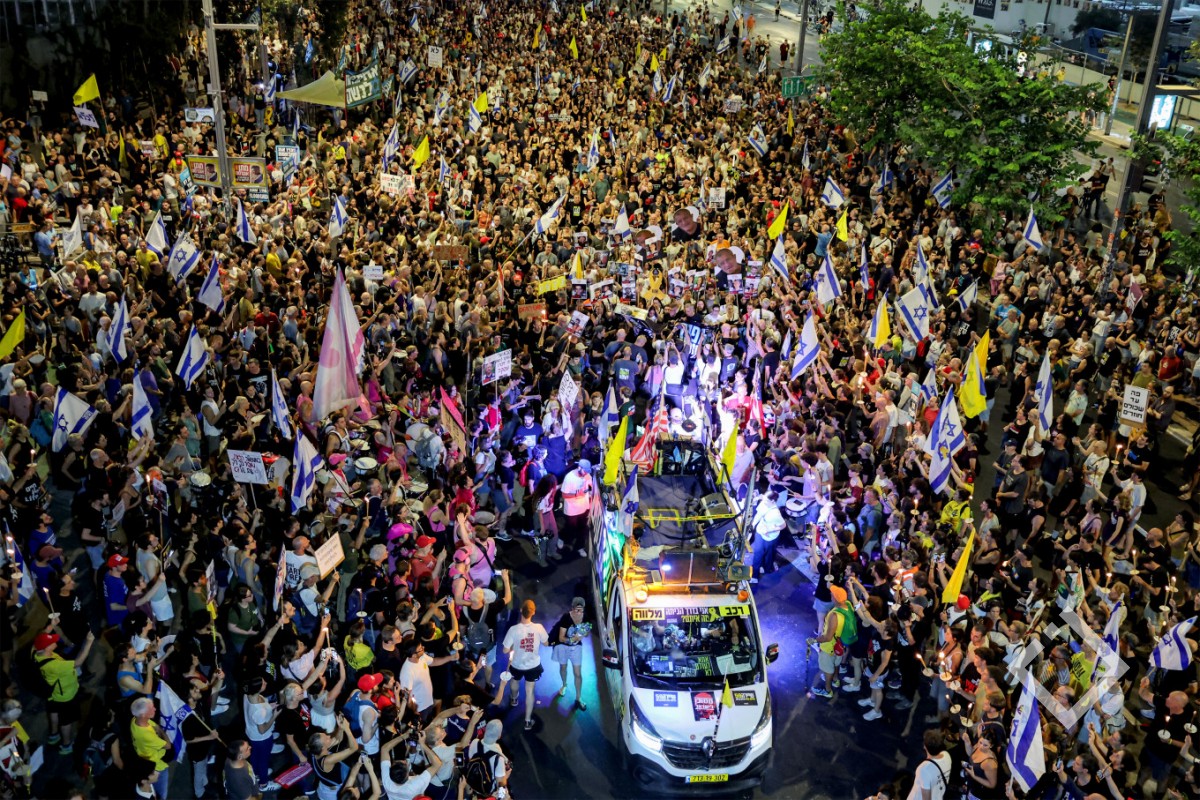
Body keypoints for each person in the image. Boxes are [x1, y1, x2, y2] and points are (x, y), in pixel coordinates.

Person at [32, 629, 95, 754]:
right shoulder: (55, 666)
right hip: (65, 696)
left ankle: (54, 735)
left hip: (54, 694)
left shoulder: (36, 653)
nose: (56, 641)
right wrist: (89, 642)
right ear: (47, 648)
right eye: (52, 641)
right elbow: (78, 662)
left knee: (54, 712)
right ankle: (66, 745)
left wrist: (51, 626)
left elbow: (39, 639)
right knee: (66, 721)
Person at [502, 599, 549, 730]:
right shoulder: (539, 628)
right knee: (529, 691)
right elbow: (546, 643)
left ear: (521, 610)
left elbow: (505, 650)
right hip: (533, 666)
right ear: (533, 612)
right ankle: (527, 721)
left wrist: (513, 646)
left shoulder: (513, 630)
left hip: (516, 664)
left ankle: (513, 699)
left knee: (515, 681)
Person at [551, 597, 591, 712]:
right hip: (563, 647)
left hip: (576, 648)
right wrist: (573, 639)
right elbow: (561, 638)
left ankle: (578, 698)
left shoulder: (585, 617)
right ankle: (564, 685)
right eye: (577, 610)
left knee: (577, 673)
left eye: (581, 610)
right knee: (563, 668)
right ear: (572, 608)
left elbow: (587, 632)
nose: (579, 613)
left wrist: (583, 634)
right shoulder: (566, 618)